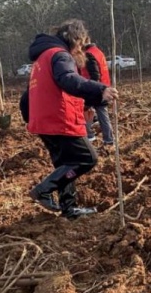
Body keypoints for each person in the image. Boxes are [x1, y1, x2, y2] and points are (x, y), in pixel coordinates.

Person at [26, 19, 119, 220]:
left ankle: (69, 209)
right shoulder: (60, 55)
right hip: (59, 119)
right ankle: (44, 189)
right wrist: (100, 88)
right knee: (87, 159)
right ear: (75, 39)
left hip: (44, 121)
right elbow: (68, 80)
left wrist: (31, 118)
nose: (82, 48)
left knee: (66, 165)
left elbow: (27, 96)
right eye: (81, 43)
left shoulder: (41, 58)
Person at [81, 39, 115, 146]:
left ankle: (90, 137)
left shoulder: (88, 55)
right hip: (104, 88)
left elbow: (95, 75)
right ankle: (108, 140)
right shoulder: (98, 51)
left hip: (96, 90)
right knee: (102, 114)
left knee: (85, 111)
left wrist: (91, 89)